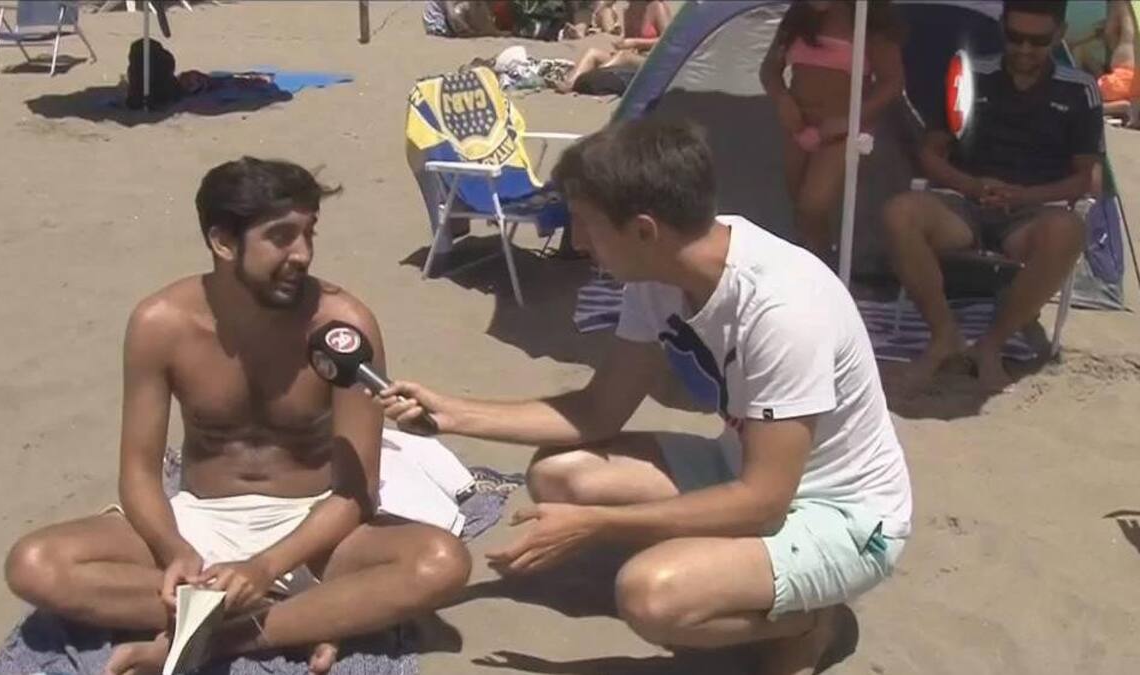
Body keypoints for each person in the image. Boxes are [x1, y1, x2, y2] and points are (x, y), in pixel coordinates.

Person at [379, 118, 912, 675]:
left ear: (643, 230)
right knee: (560, 475)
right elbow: (598, 411)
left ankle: (812, 621)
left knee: (650, 596)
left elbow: (765, 501)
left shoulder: (782, 312)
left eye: (585, 224)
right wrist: (452, 414)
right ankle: (726, 576)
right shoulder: (660, 273)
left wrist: (598, 525)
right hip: (740, 467)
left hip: (842, 516)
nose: (577, 242)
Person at [2, 158, 471, 675]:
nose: (303, 254)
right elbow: (138, 473)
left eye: (310, 233)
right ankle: (306, 616)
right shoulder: (161, 324)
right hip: (201, 520)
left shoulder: (341, 325)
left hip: (313, 529)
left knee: (441, 562)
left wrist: (265, 566)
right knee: (35, 565)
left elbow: (356, 493)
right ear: (223, 243)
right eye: (281, 237)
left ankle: (221, 637)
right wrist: (174, 551)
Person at [881, 0, 1101, 392]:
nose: (1025, 49)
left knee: (1068, 230)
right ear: (1002, 28)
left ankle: (991, 344)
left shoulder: (1079, 90)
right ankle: (944, 335)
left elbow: (1087, 178)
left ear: (1060, 36)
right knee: (899, 214)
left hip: (1031, 213)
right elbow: (930, 154)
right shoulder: (970, 74)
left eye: (1038, 41)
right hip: (966, 202)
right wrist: (971, 185)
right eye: (1015, 37)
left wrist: (1026, 195)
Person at [760, 0, 905, 260]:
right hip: (799, 127)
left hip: (843, 132)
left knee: (812, 206)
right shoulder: (798, 17)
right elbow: (769, 69)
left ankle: (826, 267)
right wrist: (782, 99)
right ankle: (818, 266)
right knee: (801, 211)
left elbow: (892, 83)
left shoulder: (869, 22)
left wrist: (851, 119)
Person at [555, 0, 671, 94]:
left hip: (654, 60)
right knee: (593, 53)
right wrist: (624, 44)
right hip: (635, 57)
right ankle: (569, 83)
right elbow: (629, 41)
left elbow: (669, 41)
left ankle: (593, 76)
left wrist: (635, 43)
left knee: (623, 56)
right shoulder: (629, 10)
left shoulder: (657, 7)